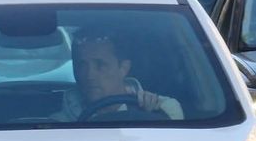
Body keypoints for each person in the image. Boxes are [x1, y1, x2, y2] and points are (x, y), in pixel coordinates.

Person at [55, 27, 183, 121]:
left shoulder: (163, 109)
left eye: (100, 65)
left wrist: (149, 117)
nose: (89, 75)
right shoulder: (59, 123)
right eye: (81, 65)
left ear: (123, 68)